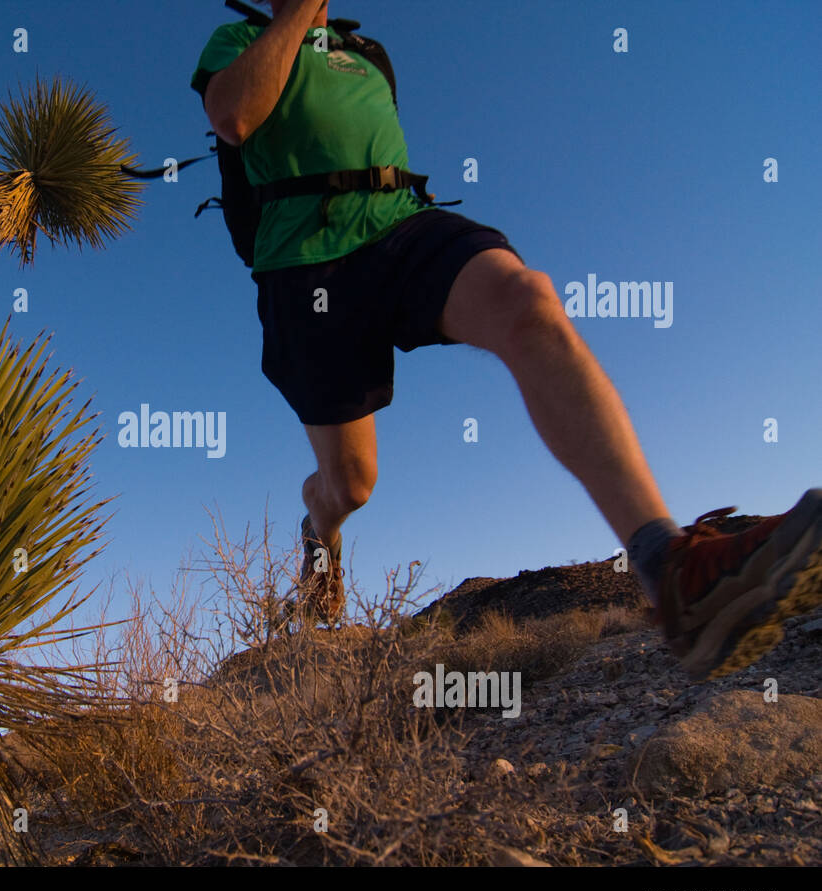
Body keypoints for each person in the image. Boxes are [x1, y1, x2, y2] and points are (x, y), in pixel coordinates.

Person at [189, 0, 822, 679]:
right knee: (352, 484)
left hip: (400, 224)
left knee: (529, 301)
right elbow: (235, 116)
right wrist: (295, 16)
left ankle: (672, 573)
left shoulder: (368, 55)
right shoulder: (239, 38)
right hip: (302, 262)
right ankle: (321, 527)